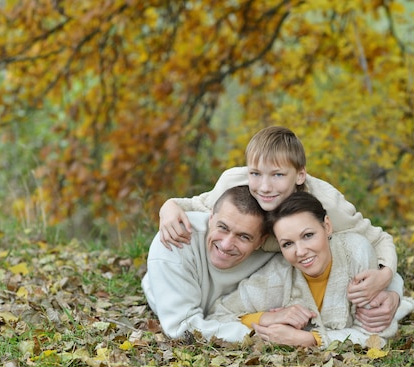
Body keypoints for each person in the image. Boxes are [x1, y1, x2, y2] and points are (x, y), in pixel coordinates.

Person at [158, 126, 401, 332]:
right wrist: (168, 206)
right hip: (244, 273)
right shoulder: (234, 184)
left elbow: (378, 241)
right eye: (255, 173)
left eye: (277, 175)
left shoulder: (325, 204)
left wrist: (384, 278)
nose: (264, 187)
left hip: (290, 270)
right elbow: (197, 204)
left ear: (299, 175)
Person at [207, 192, 414, 348]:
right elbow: (218, 315)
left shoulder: (356, 252)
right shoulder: (278, 274)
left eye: (308, 235)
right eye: (288, 244)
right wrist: (267, 318)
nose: (300, 252)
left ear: (327, 226)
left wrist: (309, 340)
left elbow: (376, 337)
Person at [142, 185, 276, 341]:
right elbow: (181, 327)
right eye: (223, 228)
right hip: (171, 295)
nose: (226, 245)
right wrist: (257, 335)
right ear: (210, 217)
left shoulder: (284, 250)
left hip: (226, 313)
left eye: (243, 237)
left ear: (262, 241)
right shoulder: (174, 241)